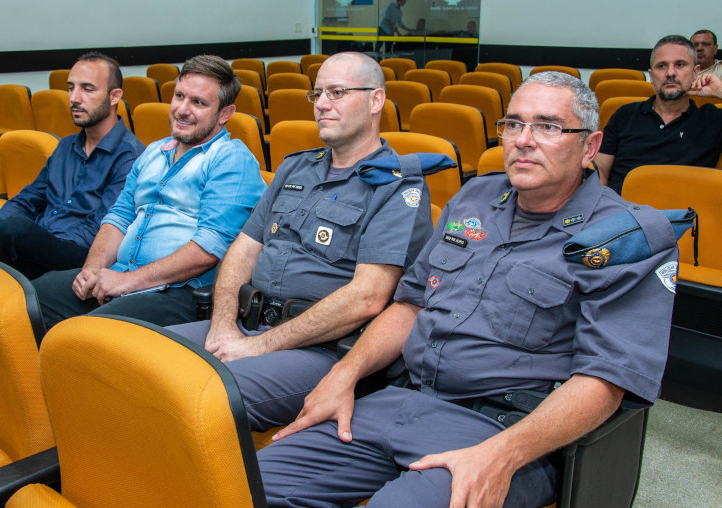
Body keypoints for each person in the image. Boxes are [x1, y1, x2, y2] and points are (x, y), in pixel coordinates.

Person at [257, 72, 679, 508]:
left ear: (590, 147)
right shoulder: (475, 197)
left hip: (504, 431)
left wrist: (503, 454)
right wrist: (342, 376)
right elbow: (410, 304)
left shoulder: (624, 236)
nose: (524, 140)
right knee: (245, 484)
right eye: (513, 124)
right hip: (400, 400)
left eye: (548, 126)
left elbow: (606, 379)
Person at [166, 52, 434, 431]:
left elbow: (367, 298)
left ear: (376, 101)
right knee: (136, 361)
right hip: (246, 323)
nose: (322, 104)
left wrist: (257, 346)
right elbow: (242, 249)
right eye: (318, 93)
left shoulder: (397, 187)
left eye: (337, 92)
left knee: (194, 395)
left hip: (318, 349)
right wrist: (222, 325)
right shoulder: (295, 166)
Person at [32, 55, 265, 329]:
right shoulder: (154, 151)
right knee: (32, 297)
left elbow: (208, 249)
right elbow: (119, 216)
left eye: (198, 103)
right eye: (179, 96)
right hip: (123, 276)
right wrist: (93, 268)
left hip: (180, 292)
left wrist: (126, 282)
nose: (182, 109)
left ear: (224, 114)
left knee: (90, 333)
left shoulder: (231, 159)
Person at [0, 52, 145, 279]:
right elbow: (29, 198)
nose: (74, 98)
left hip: (82, 254)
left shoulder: (130, 157)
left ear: (114, 97)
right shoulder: (65, 146)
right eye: (71, 88)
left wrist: (39, 239)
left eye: (87, 89)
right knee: (5, 230)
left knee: (14, 231)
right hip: (42, 243)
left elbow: (101, 230)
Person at [596, 34, 722, 194]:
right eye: (661, 66)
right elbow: (600, 168)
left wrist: (721, 91)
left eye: (680, 65)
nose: (670, 73)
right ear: (651, 75)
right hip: (624, 211)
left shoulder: (714, 118)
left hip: (682, 215)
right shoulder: (625, 115)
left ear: (695, 72)